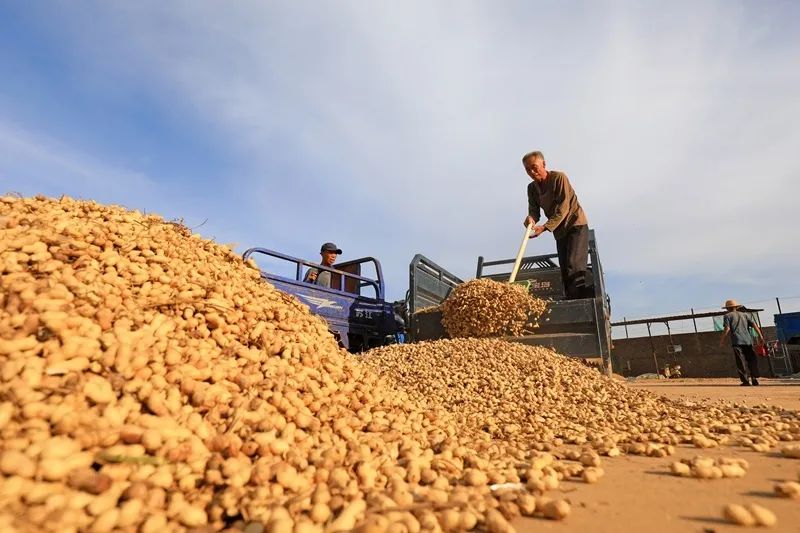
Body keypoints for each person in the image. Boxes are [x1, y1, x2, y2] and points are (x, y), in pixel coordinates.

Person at [522, 151, 590, 299]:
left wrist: (545, 227)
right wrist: (530, 219)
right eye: (528, 170)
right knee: (565, 271)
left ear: (544, 164)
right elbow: (534, 211)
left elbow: (563, 208)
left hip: (575, 226)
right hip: (559, 231)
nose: (532, 172)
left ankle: (581, 302)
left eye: (535, 167)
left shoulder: (559, 178)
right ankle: (570, 302)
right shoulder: (532, 189)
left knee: (574, 266)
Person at [719, 299, 765, 386]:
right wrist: (761, 336)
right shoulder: (745, 315)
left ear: (727, 308)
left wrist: (722, 340)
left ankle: (745, 381)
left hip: (737, 341)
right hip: (748, 341)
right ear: (736, 307)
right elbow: (755, 325)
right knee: (751, 360)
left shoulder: (727, 316)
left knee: (740, 361)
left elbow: (727, 329)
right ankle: (754, 379)